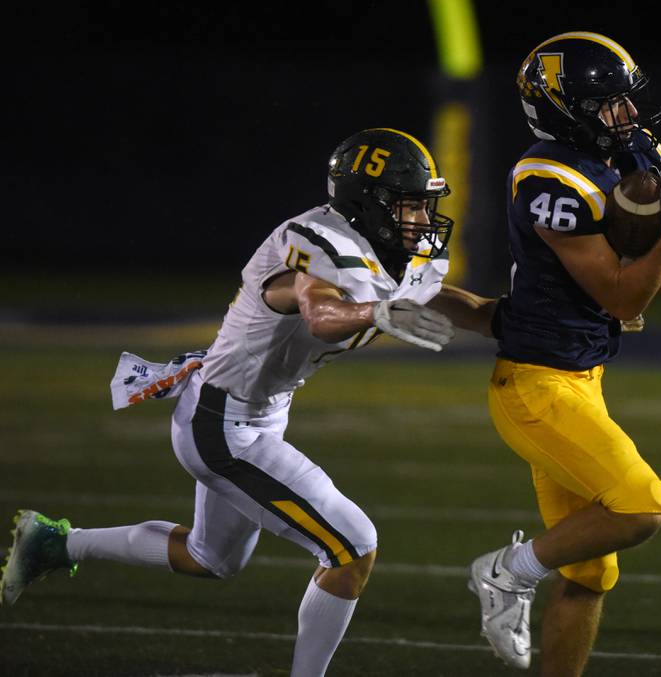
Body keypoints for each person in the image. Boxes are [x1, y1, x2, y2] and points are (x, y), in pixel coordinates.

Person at [0, 127, 481, 676]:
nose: (421, 218)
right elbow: (320, 314)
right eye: (409, 204)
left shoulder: (386, 250)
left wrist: (511, 322)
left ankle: (55, 545)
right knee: (353, 547)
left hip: (249, 412)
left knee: (211, 558)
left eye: (424, 204)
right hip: (222, 425)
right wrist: (376, 314)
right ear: (366, 204)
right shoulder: (319, 244)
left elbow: (439, 298)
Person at [465, 32, 661, 675]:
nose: (626, 117)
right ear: (562, 109)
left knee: (589, 572)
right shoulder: (548, 179)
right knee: (641, 504)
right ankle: (504, 572)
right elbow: (623, 297)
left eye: (627, 102)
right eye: (609, 105)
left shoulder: (630, 148)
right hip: (534, 387)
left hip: (582, 378)